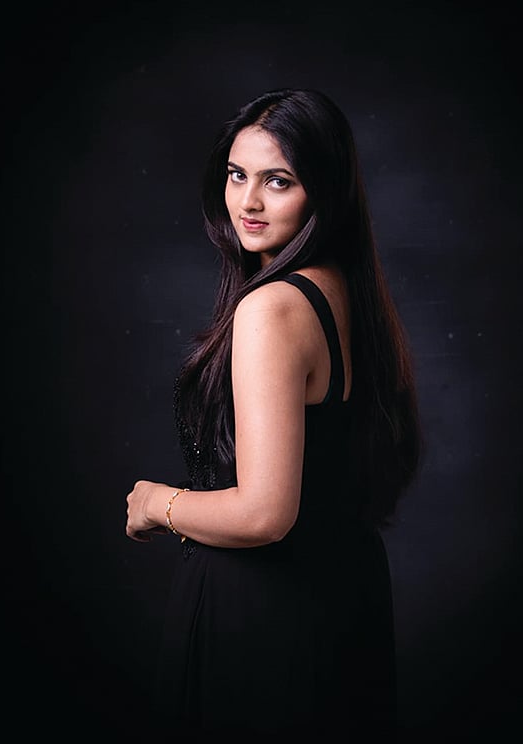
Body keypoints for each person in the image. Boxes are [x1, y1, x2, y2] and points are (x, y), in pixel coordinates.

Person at [125, 87, 422, 740]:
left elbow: (265, 513)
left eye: (277, 181)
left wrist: (155, 503)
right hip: (340, 606)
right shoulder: (344, 290)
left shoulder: (273, 309)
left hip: (263, 620)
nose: (248, 202)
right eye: (237, 175)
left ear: (324, 191)